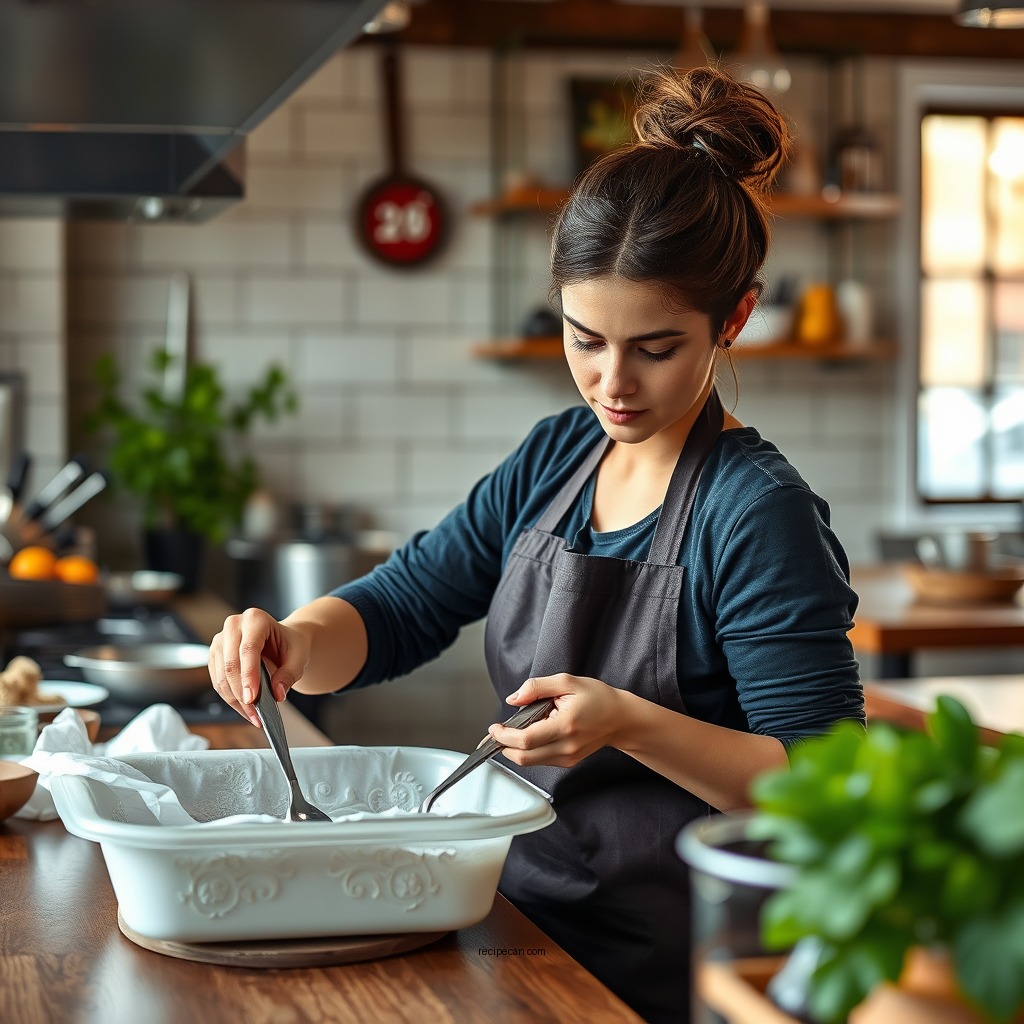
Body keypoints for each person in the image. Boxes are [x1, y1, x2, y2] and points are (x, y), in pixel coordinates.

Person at [209, 65, 863, 1024]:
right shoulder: (560, 453)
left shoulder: (756, 511)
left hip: (679, 970)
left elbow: (824, 786)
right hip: (525, 931)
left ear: (734, 318)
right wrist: (298, 642)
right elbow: (407, 604)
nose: (611, 383)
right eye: (584, 337)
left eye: (655, 347)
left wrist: (628, 721)